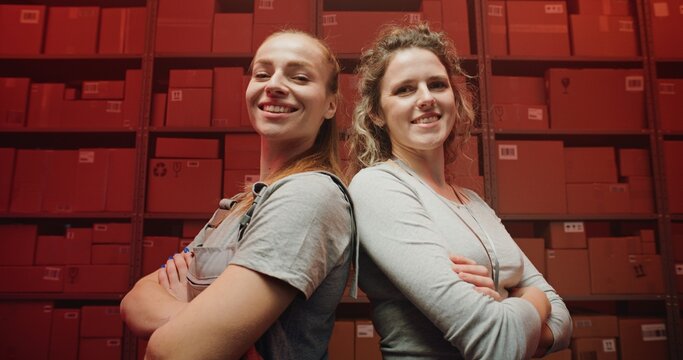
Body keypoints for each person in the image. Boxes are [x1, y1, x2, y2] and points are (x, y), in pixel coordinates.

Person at [120, 29, 356, 359]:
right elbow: (135, 299)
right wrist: (201, 327)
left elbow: (175, 350)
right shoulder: (239, 205)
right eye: (262, 73)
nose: (273, 85)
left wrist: (189, 322)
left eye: (299, 77)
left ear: (331, 104)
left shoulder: (309, 197)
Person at [347, 24, 572, 359]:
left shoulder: (475, 203)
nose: (426, 99)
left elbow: (565, 321)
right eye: (405, 89)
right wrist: (532, 299)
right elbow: (498, 343)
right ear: (377, 113)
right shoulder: (378, 186)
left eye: (437, 84)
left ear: (454, 98)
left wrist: (509, 311)